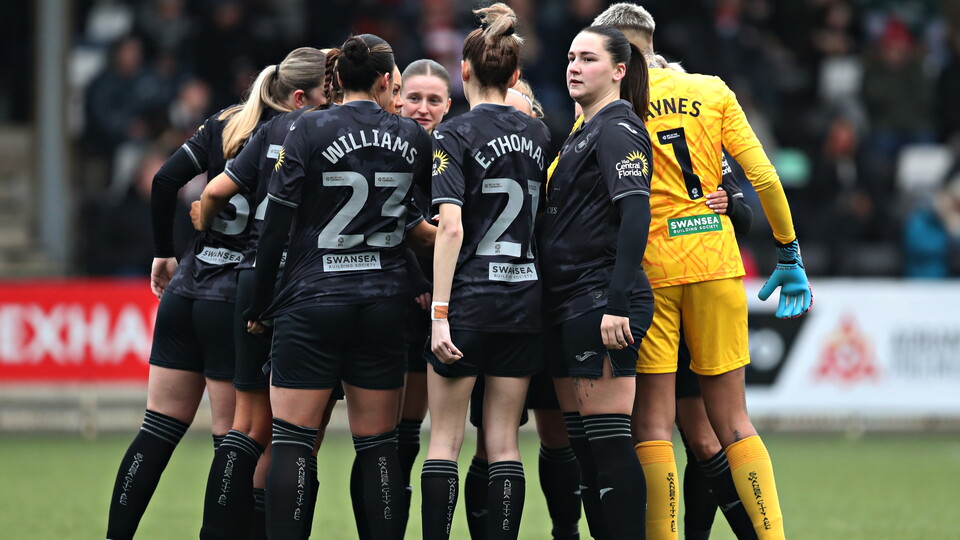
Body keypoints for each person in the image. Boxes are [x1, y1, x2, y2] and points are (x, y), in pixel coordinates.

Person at [594, 5, 812, 539]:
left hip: (651, 270)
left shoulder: (611, 103)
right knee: (734, 422)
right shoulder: (711, 90)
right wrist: (789, 252)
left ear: (615, 51)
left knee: (651, 425)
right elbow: (761, 173)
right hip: (716, 264)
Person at [104, 46, 320, 540]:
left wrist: (164, 251)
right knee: (240, 440)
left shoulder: (228, 121)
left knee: (156, 431)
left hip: (188, 288)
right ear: (304, 95)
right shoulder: (303, 132)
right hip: (239, 296)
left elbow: (163, 180)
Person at [243, 33, 430, 540]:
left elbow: (275, 229)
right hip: (382, 303)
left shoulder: (306, 128)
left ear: (337, 79)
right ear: (390, 81)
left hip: (312, 299)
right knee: (378, 445)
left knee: (294, 441)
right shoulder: (413, 137)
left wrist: (262, 305)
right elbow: (427, 225)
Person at [183, 47, 330, 540]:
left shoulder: (269, 130)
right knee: (299, 438)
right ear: (305, 94)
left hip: (252, 278)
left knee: (244, 429)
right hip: (310, 285)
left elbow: (212, 191)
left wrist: (203, 218)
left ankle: (216, 533)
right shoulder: (332, 133)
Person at [421, 5, 550, 540]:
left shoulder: (451, 136)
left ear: (463, 70)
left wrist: (439, 315)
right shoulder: (541, 135)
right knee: (503, 443)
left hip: (470, 300)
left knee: (445, 442)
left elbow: (449, 230)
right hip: (523, 300)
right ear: (516, 76)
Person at [539, 23, 655, 540]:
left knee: (608, 443)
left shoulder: (617, 127)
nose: (574, 67)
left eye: (587, 59)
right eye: (570, 57)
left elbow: (635, 215)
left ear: (619, 70)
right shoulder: (583, 129)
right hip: (570, 301)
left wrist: (617, 302)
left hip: (600, 299)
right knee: (584, 446)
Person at [462, 78, 583, 540]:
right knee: (490, 443)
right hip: (498, 310)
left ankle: (565, 531)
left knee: (558, 434)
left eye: (519, 113)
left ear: (533, 119)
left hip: (548, 310)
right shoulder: (473, 166)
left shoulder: (557, 168)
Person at [392, 57, 453, 535]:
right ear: (396, 98)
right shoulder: (381, 152)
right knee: (382, 438)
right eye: (414, 97)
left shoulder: (451, 156)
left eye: (434, 100)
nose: (423, 108)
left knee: (410, 436)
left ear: (448, 105)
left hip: (436, 310)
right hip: (386, 303)